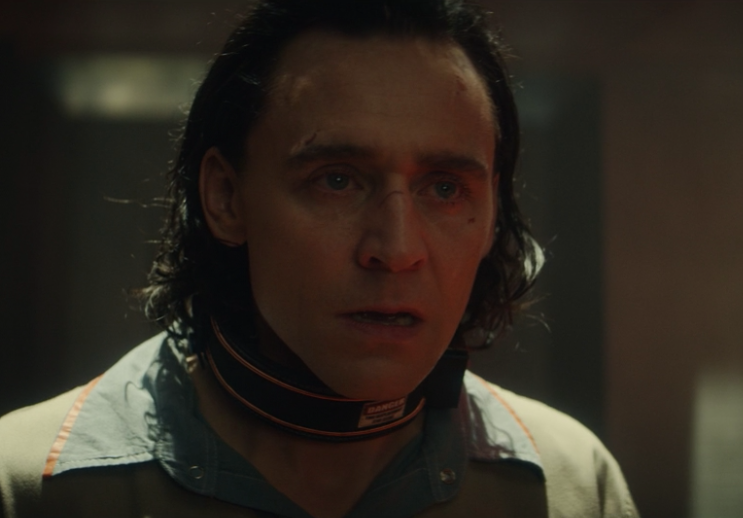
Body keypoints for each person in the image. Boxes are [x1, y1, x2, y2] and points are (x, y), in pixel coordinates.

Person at [0, 1, 639, 517]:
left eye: (445, 189)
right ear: (226, 198)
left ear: (493, 210)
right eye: (336, 180)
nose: (396, 250)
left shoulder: (568, 486)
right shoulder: (34, 485)